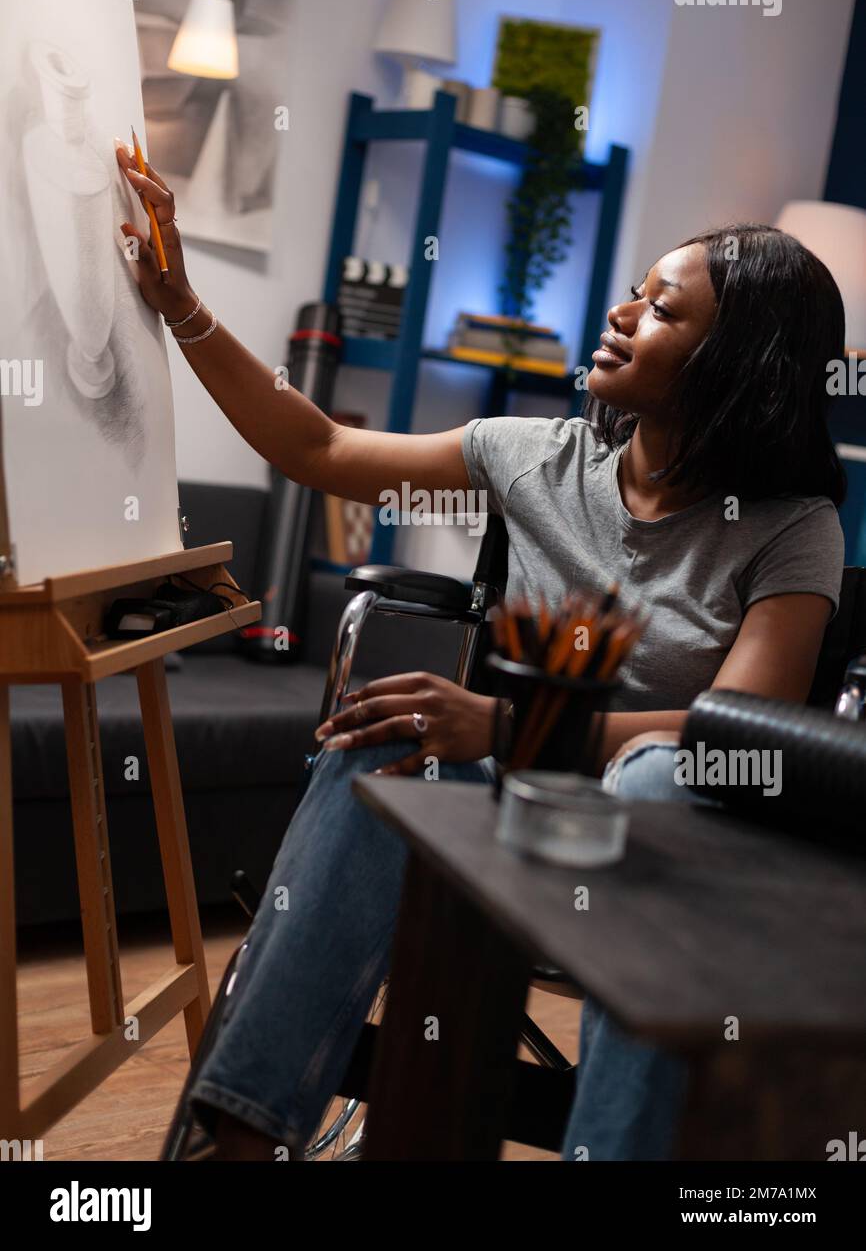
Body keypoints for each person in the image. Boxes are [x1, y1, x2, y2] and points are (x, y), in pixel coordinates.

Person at [116, 145, 846, 1160]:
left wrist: (508, 723)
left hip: (659, 839)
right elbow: (316, 449)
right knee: (385, 735)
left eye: (661, 310)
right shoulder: (532, 456)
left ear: (734, 364)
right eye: (631, 294)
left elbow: (728, 736)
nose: (620, 313)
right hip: (512, 801)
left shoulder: (788, 526)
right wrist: (179, 297)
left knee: (653, 777)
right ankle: (237, 1132)